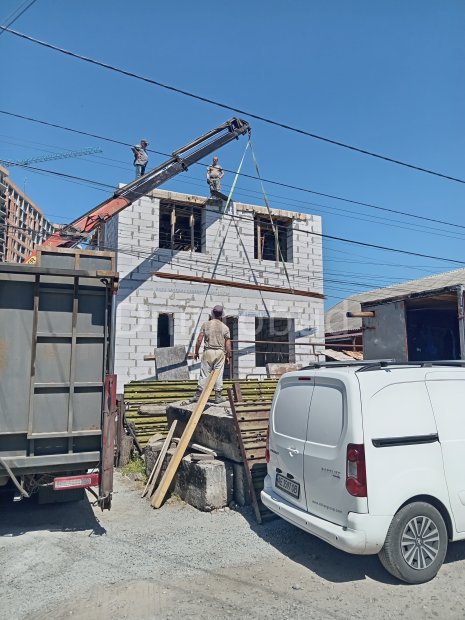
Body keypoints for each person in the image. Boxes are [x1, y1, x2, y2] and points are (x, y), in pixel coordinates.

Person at [191, 305, 231, 404]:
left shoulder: (206, 325)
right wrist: (228, 356)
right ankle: (218, 397)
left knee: (204, 374)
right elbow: (228, 344)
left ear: (212, 314)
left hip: (208, 352)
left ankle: (198, 396)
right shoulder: (225, 327)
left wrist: (196, 352)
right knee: (218, 374)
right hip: (220, 353)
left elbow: (199, 340)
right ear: (221, 315)